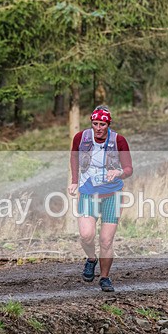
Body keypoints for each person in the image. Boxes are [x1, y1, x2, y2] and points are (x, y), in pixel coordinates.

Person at [67, 105, 133, 292]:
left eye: (102, 124)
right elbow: (73, 158)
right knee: (86, 235)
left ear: (108, 124)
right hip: (88, 192)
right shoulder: (81, 138)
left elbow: (129, 169)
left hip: (112, 195)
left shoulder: (118, 140)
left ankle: (105, 277)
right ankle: (91, 258)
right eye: (95, 123)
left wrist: (119, 172)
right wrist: (74, 181)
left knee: (106, 240)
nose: (98, 127)